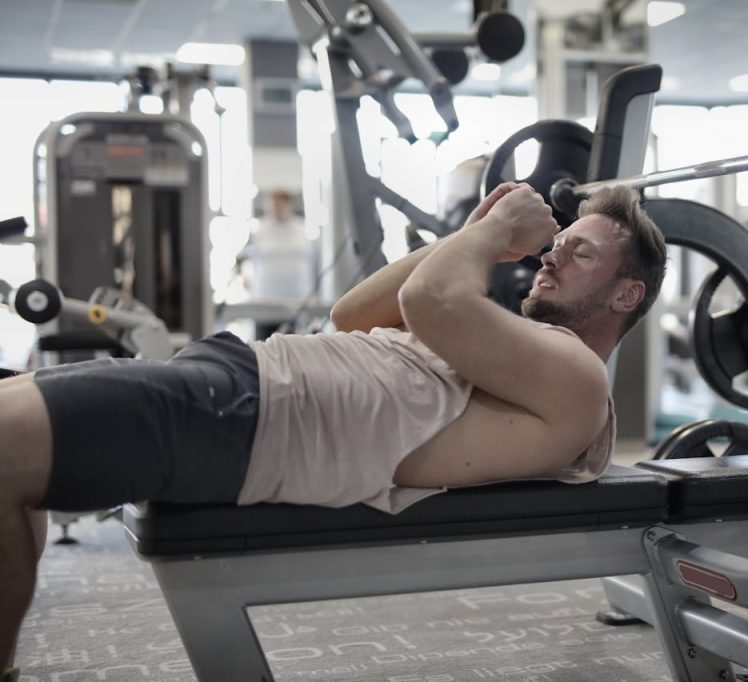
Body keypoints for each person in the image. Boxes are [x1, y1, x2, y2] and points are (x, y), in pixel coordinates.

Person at [0, 182, 667, 675]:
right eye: (555, 246)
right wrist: (474, 229)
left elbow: (427, 299)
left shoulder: (577, 377)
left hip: (246, 419)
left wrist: (487, 242)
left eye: (576, 254)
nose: (549, 258)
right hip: (234, 386)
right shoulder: (518, 346)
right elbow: (353, 315)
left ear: (625, 295)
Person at [237, 188, 317, 339]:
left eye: (280, 205)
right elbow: (243, 258)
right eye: (273, 205)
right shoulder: (259, 230)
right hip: (265, 301)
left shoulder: (301, 229)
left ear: (289, 206)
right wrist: (245, 279)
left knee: (295, 348)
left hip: (297, 301)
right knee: (264, 348)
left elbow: (312, 262)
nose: (277, 209)